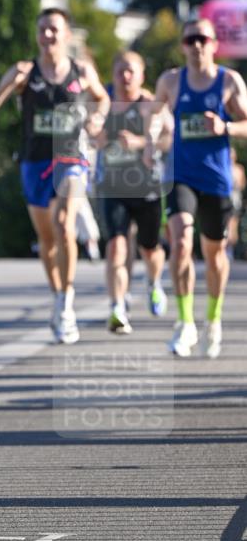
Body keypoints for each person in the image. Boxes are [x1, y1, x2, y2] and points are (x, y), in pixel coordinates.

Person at [0, 8, 109, 343]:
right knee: (48, 242)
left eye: (54, 29)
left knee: (64, 224)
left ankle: (67, 305)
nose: (48, 36)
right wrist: (8, 86)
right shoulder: (25, 72)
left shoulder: (82, 70)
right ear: (37, 35)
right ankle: (59, 295)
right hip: (34, 161)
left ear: (66, 35)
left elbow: (103, 99)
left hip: (71, 157)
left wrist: (96, 119)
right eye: (43, 30)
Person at [148, 17, 247, 357]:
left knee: (215, 254)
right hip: (180, 175)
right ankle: (185, 322)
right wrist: (150, 141)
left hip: (216, 179)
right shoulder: (171, 81)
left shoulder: (229, 81)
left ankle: (213, 320)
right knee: (180, 243)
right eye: (190, 39)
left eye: (203, 38)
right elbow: (157, 115)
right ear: (183, 45)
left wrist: (225, 126)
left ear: (214, 43)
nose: (197, 45)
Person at [94, 51, 170, 334]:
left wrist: (140, 142)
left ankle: (153, 282)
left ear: (141, 76)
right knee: (116, 247)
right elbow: (90, 134)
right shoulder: (103, 104)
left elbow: (168, 138)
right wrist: (97, 136)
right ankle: (117, 307)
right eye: (120, 72)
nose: (125, 77)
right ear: (112, 75)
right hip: (112, 187)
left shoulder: (150, 104)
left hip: (146, 188)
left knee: (149, 248)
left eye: (131, 71)